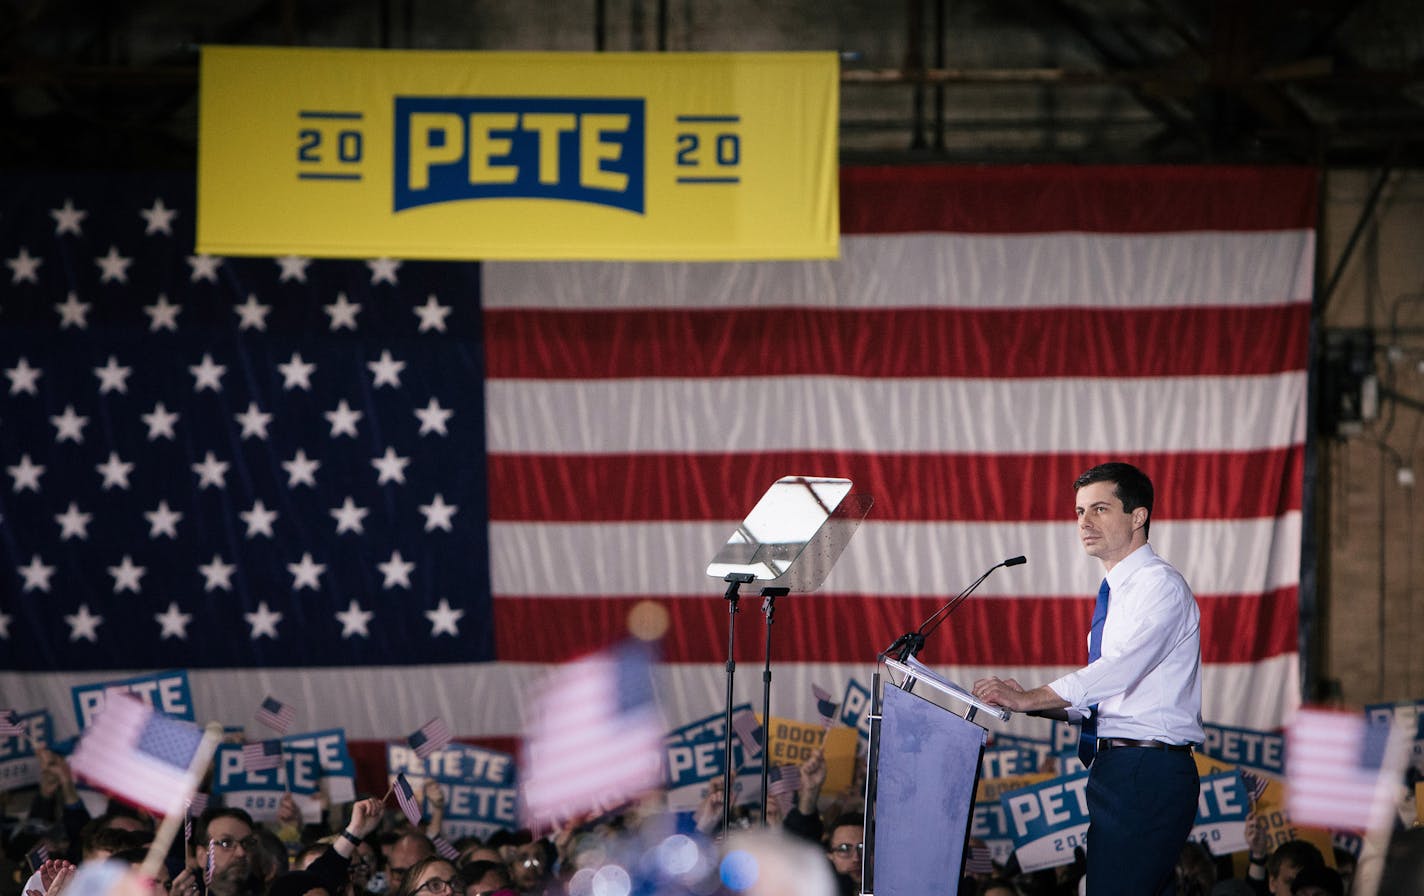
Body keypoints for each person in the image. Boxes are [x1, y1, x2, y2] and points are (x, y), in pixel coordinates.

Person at [972, 461, 1204, 896]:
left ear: (1138, 517)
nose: (1084, 522)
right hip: (1121, 768)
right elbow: (1102, 703)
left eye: (1099, 509)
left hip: (1146, 769)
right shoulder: (1119, 593)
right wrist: (1034, 704)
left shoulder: (1159, 586)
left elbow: (1119, 669)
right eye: (1079, 511)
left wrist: (1032, 697)